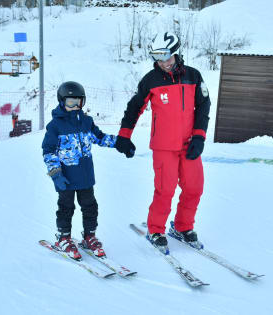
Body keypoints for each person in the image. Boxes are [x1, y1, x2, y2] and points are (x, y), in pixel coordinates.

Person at [115, 31, 211, 253]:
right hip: (163, 146)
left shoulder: (194, 76)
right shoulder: (151, 80)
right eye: (159, 59)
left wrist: (199, 135)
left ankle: (182, 227)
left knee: (194, 188)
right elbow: (134, 107)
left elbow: (203, 107)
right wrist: (124, 134)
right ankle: (156, 230)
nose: (164, 63)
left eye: (167, 57)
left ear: (177, 54)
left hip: (190, 144)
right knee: (165, 190)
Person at [42, 81, 117, 260]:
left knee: (90, 206)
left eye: (78, 102)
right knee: (66, 207)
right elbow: (48, 150)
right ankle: (64, 238)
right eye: (70, 102)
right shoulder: (55, 126)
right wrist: (55, 173)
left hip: (85, 177)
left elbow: (99, 138)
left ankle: (89, 236)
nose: (75, 106)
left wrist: (120, 142)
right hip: (65, 178)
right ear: (62, 102)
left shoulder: (87, 121)